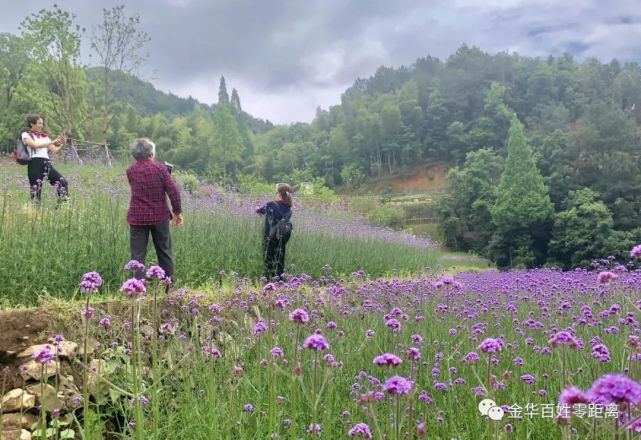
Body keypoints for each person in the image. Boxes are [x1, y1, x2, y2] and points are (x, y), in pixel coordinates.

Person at [126, 138, 183, 282]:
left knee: (137, 256)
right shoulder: (161, 169)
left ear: (135, 155)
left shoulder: (130, 171)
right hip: (160, 218)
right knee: (165, 253)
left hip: (137, 218)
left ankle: (137, 291)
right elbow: (173, 192)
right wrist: (177, 212)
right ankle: (168, 288)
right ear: (151, 154)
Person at [21, 114, 67, 202]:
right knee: (36, 191)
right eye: (39, 123)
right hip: (34, 163)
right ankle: (35, 213)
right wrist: (52, 142)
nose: (41, 125)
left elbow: (55, 150)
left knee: (63, 182)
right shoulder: (26, 135)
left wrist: (62, 143)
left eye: (42, 123)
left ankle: (62, 206)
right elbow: (34, 145)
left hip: (46, 163)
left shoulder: (45, 137)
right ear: (32, 124)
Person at [256, 183, 293, 280]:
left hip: (270, 236)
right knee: (280, 258)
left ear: (279, 193)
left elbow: (259, 211)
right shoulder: (289, 208)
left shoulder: (271, 204)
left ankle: (269, 281)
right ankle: (280, 281)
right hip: (282, 237)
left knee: (269, 258)